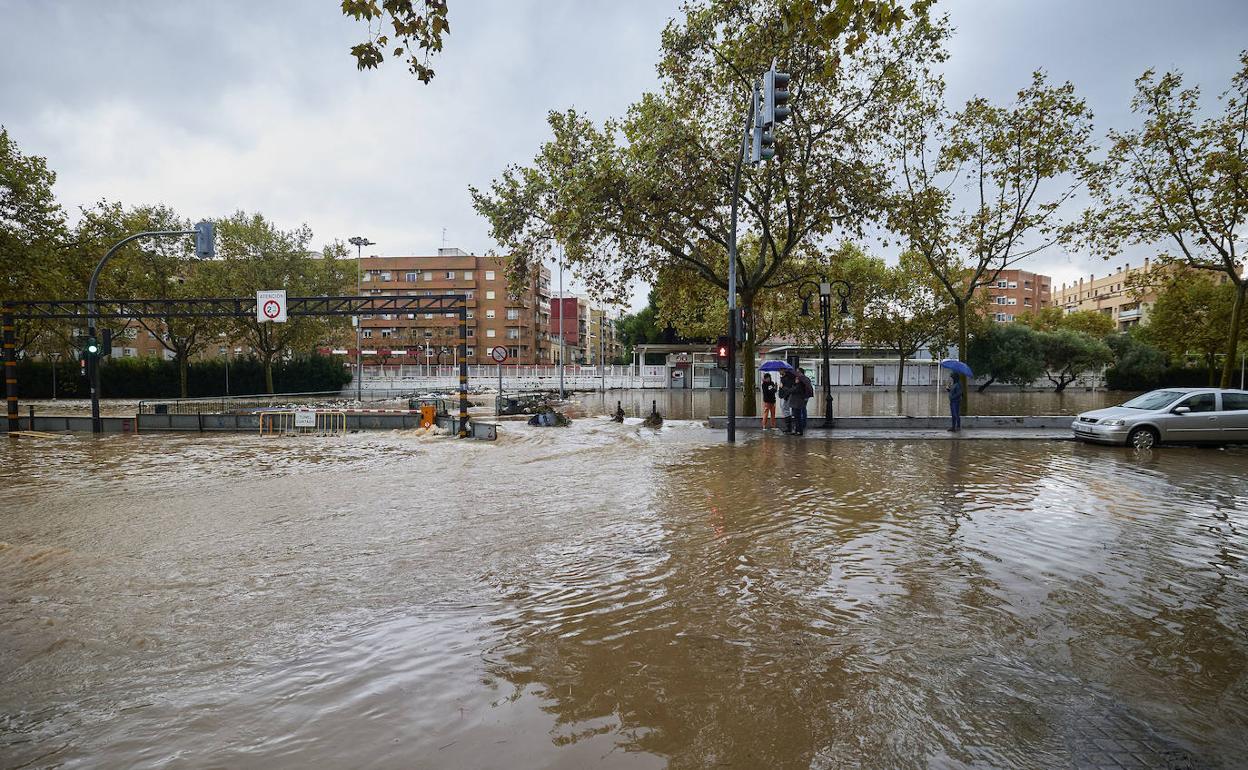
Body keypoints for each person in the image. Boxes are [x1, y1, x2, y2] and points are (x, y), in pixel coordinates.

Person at [789, 367, 814, 435]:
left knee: (799, 414)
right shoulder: (803, 379)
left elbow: (796, 390)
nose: (796, 373)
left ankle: (800, 428)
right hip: (800, 399)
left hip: (800, 400)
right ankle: (799, 428)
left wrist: (805, 397)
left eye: (797, 371)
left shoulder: (802, 380)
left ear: (800, 372)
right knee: (799, 413)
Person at [778, 369, 796, 434]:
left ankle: (789, 428)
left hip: (785, 397)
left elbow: (788, 389)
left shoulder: (787, 378)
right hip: (783, 396)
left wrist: (785, 396)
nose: (779, 371)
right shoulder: (783, 378)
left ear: (783, 370)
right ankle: (788, 428)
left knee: (786, 410)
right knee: (785, 410)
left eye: (780, 370)